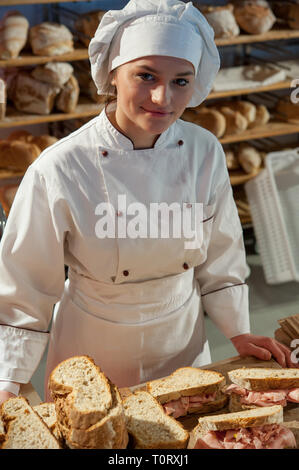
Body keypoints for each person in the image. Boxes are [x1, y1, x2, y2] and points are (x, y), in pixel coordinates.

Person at [0, 0, 297, 406]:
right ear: (112, 75)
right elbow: (25, 284)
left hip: (183, 343)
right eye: (145, 75)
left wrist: (238, 331)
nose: (163, 97)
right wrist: (9, 380)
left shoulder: (204, 151)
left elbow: (222, 254)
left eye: (181, 81)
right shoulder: (62, 167)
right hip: (92, 349)